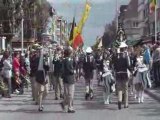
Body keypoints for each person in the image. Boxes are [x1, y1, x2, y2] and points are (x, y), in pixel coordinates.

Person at [113, 42, 131, 110]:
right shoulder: (126, 56)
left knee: (119, 89)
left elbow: (114, 66)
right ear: (124, 49)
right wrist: (131, 70)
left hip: (118, 74)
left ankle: (119, 100)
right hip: (124, 74)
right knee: (126, 89)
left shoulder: (116, 56)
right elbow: (128, 65)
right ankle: (126, 104)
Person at [60, 46, 75, 113]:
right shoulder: (67, 60)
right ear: (70, 53)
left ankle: (64, 104)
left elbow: (62, 70)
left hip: (67, 79)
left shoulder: (67, 60)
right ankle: (70, 108)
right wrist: (72, 71)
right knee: (70, 94)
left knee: (67, 94)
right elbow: (64, 69)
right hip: (69, 78)